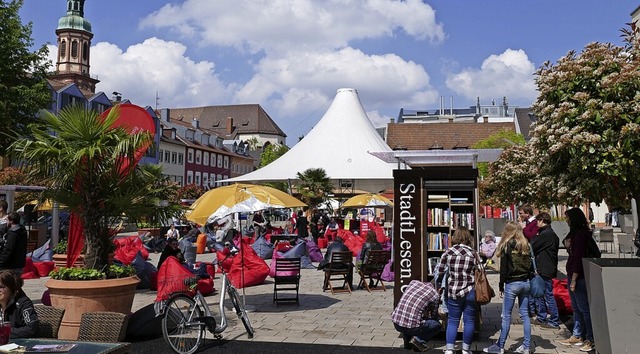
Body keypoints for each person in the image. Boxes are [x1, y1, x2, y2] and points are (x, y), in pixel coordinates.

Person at [483, 222, 533, 354]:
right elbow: (531, 266)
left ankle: (500, 346)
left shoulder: (506, 245)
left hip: (512, 283)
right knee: (525, 315)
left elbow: (504, 269)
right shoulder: (526, 244)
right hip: (525, 282)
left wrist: (501, 285)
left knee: (506, 316)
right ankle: (527, 347)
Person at [434, 226, 477, 354]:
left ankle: (449, 349)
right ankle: (466, 349)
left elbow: (440, 271)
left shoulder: (448, 252)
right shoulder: (473, 253)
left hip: (453, 290)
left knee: (453, 320)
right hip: (470, 290)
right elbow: (480, 272)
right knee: (469, 320)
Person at [558, 208, 595, 352]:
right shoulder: (576, 235)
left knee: (584, 309)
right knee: (576, 307)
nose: (566, 221)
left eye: (568, 218)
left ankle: (590, 338)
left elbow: (579, 259)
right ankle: (578, 334)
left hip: (579, 276)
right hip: (572, 274)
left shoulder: (581, 236)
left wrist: (573, 279)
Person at [391, 280, 441, 352]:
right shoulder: (435, 294)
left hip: (396, 323)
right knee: (436, 325)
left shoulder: (413, 283)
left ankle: (407, 343)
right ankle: (419, 340)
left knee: (408, 317)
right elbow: (434, 315)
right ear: (438, 289)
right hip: (411, 326)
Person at [530, 212, 560, 330]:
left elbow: (533, 245)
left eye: (538, 221)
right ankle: (542, 317)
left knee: (547, 294)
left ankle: (554, 320)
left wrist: (535, 236)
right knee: (540, 294)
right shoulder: (548, 233)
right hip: (545, 267)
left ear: (543, 221)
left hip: (545, 268)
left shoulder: (546, 234)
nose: (537, 223)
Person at [0, 270, 37, 338]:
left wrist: (6, 332)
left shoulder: (23, 304)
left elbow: (31, 329)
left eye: (1, 286)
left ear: (12, 287)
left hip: (20, 345)